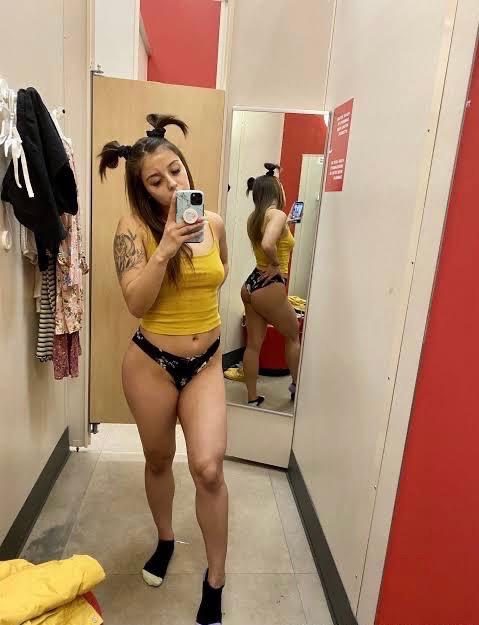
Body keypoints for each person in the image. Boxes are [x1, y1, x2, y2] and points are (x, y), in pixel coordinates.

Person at [99, 114, 229, 625]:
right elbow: (135, 302)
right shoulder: (133, 229)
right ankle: (166, 539)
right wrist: (167, 247)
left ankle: (215, 580)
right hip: (151, 365)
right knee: (158, 459)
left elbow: (219, 276)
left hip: (207, 364)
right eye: (156, 181)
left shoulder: (214, 223)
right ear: (143, 189)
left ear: (185, 166)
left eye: (176, 171)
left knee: (209, 469)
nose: (172, 185)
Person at [241, 163, 300, 406]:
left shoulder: (254, 217)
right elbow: (268, 244)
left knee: (253, 345)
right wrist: (275, 263)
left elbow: (265, 241)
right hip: (270, 284)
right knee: (293, 336)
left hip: (251, 284)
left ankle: (252, 397)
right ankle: (296, 388)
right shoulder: (277, 215)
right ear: (276, 191)